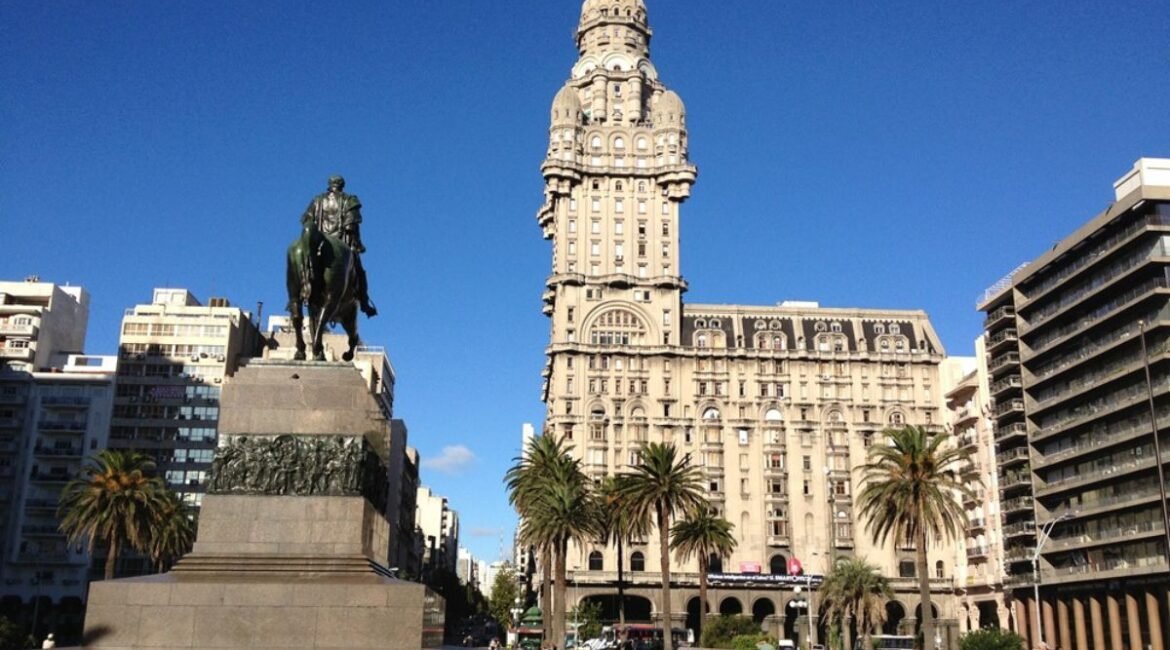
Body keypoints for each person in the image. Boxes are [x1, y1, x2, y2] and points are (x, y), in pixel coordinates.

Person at [301, 175, 377, 317]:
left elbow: (306, 220)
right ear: (342, 185)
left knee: (305, 265)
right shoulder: (349, 200)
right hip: (341, 243)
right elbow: (351, 226)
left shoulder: (317, 200)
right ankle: (365, 303)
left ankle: (300, 294)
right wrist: (358, 244)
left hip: (319, 243)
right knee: (360, 272)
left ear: (329, 185)